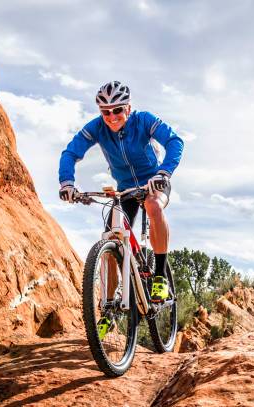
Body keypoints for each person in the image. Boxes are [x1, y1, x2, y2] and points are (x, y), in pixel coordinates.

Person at [58, 81, 184, 302]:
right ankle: (107, 305)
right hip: (125, 189)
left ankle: (160, 276)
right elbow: (70, 153)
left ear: (128, 107)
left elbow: (174, 141)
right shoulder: (96, 127)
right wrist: (67, 183)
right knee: (111, 234)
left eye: (117, 110)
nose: (112, 116)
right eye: (105, 112)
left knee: (153, 205)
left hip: (154, 183)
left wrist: (164, 172)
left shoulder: (143, 120)